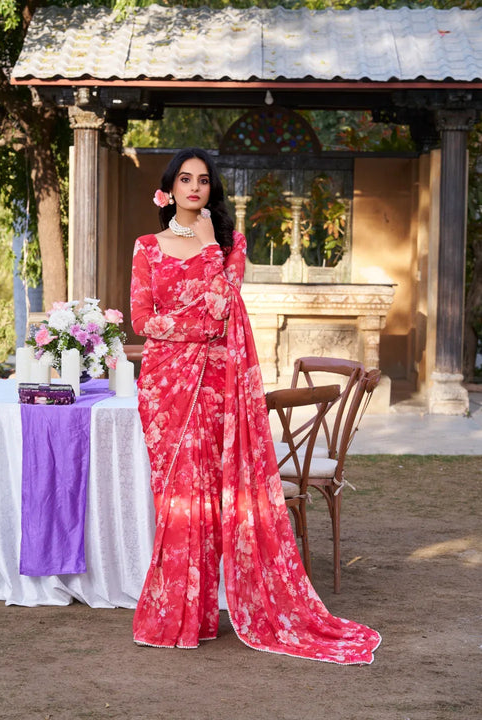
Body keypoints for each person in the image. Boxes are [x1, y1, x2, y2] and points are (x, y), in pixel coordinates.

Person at [130, 148, 381, 663]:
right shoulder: (146, 249)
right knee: (178, 500)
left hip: (218, 386)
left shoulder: (229, 243)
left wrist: (203, 257)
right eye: (185, 179)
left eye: (203, 180)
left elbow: (225, 309)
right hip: (165, 391)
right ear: (169, 188)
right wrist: (194, 330)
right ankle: (177, 616)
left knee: (211, 498)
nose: (194, 187)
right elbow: (142, 320)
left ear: (211, 189)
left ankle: (201, 614)